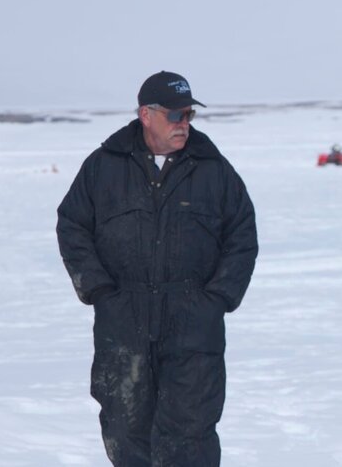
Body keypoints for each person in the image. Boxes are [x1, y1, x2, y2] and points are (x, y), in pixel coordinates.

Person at [56, 71, 258, 466]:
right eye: (176, 116)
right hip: (123, 319)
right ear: (146, 115)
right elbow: (72, 225)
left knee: (190, 431)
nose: (184, 124)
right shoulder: (103, 167)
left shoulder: (214, 170)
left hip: (193, 322)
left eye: (189, 116)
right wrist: (100, 291)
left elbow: (242, 237)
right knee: (124, 426)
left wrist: (216, 298)